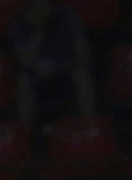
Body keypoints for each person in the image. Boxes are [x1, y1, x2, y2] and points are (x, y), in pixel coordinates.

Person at [11, 0, 96, 128]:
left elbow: (83, 54)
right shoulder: (19, 21)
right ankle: (26, 136)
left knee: (82, 77)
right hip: (36, 74)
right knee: (23, 83)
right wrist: (39, 29)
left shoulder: (66, 15)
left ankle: (89, 129)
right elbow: (24, 61)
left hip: (65, 69)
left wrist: (59, 67)